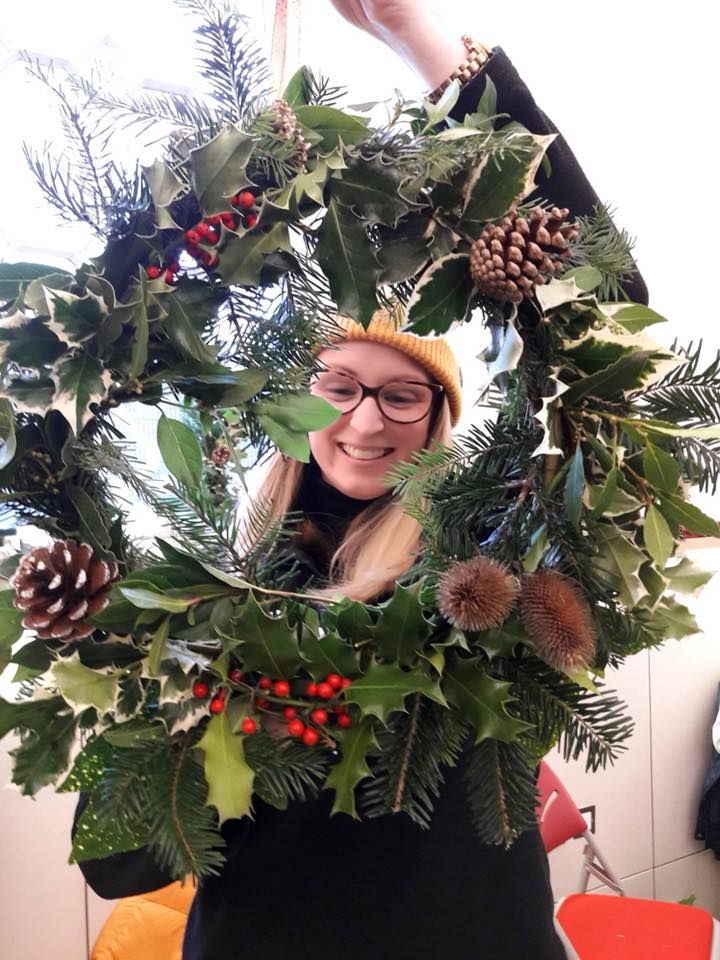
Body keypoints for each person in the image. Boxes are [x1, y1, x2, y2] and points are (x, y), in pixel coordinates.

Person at [74, 3, 648, 958]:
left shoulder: (487, 566)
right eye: (339, 384)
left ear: (441, 419)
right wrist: (155, 679)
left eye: (404, 396)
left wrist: (419, 39)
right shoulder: (209, 587)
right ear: (298, 401)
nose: (366, 419)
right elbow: (116, 864)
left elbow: (605, 309)